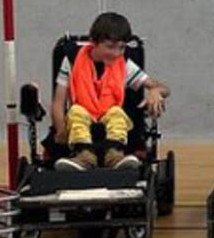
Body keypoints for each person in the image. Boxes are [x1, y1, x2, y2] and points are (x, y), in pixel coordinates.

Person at [50, 11, 169, 171]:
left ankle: (115, 156)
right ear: (93, 42)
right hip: (82, 117)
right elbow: (58, 103)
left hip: (111, 118)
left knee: (116, 113)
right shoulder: (72, 61)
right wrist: (61, 130)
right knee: (76, 111)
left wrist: (155, 91)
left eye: (121, 47)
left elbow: (163, 88)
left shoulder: (124, 65)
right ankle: (84, 157)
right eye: (110, 47)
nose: (116, 53)